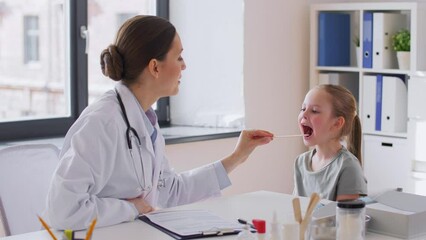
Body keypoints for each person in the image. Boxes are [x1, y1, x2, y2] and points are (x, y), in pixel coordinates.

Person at [44, 15, 273, 230]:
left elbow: (169, 191)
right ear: (155, 67)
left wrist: (236, 158)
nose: (184, 66)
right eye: (179, 57)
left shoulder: (145, 121)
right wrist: (131, 207)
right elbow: (63, 210)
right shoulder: (103, 122)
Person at [293, 84, 367, 201]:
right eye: (303, 109)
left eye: (314, 111)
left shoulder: (348, 168)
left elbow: (346, 218)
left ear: (337, 123)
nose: (304, 115)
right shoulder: (300, 162)